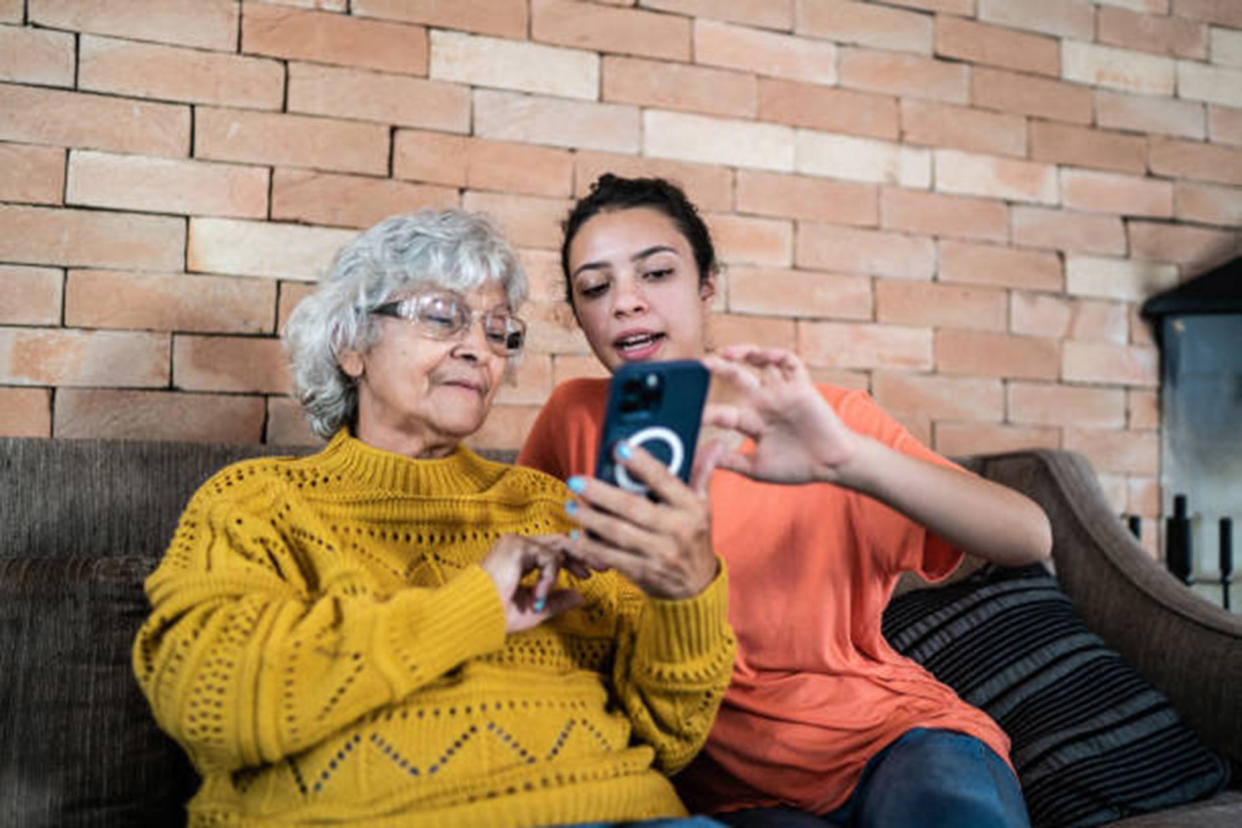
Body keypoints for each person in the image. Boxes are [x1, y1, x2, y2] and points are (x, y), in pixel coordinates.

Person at [132, 209, 736, 827]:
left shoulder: (547, 506)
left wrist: (686, 593)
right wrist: (473, 605)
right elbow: (209, 703)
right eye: (442, 316)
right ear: (351, 346)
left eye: (498, 329)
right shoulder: (256, 503)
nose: (478, 348)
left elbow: (669, 739)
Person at [518, 175, 1054, 827]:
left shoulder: (821, 416)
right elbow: (529, 591)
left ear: (706, 283)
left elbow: (1028, 536)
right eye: (595, 288)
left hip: (895, 743)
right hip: (731, 793)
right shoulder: (574, 420)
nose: (625, 303)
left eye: (656, 273)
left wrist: (846, 459)